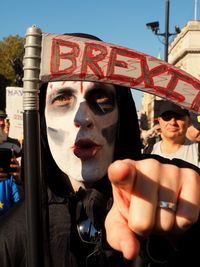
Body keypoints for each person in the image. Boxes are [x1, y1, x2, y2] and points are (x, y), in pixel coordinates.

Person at [0, 33, 199, 267]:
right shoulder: (11, 236)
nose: (83, 118)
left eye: (101, 98)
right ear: (42, 121)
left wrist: (184, 229)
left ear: (121, 114)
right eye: (62, 99)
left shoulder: (159, 201)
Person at [151, 101, 200, 168]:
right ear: (159, 121)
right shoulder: (149, 150)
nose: (172, 122)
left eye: (178, 117)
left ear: (188, 121)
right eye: (167, 117)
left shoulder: (197, 150)